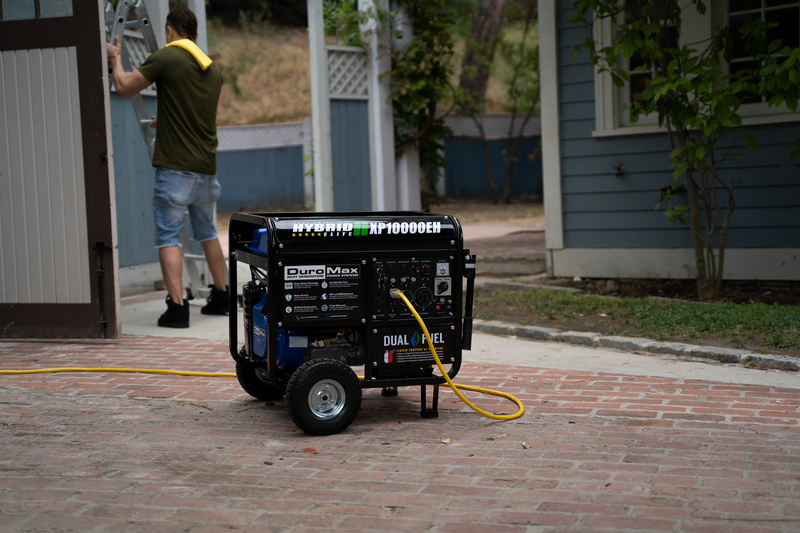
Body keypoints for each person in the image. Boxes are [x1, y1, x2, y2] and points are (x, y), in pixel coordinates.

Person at [107, 8, 227, 328]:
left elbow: (124, 87)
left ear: (170, 31)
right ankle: (221, 295)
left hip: (176, 168)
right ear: (196, 36)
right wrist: (168, 119)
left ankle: (177, 310)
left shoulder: (167, 57)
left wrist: (116, 59)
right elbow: (193, 112)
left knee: (168, 237)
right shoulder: (213, 70)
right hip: (206, 168)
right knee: (208, 232)